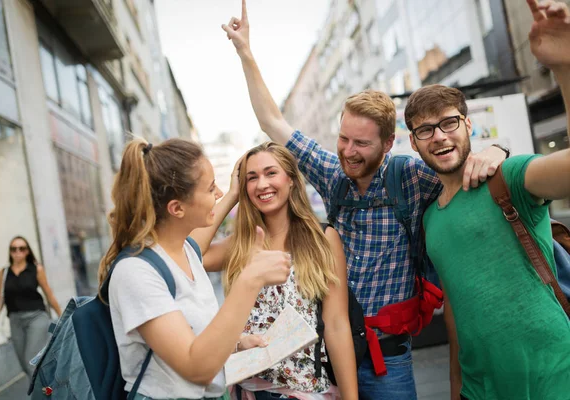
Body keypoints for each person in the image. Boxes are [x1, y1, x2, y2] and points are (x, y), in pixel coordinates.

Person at [220, 1, 508, 398]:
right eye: (343, 139)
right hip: (327, 353)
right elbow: (273, 122)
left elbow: (462, 168)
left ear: (389, 143)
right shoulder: (332, 174)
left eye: (361, 143)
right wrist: (245, 52)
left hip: (386, 359)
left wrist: (499, 151)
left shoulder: (409, 175)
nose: (348, 151)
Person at [406, 2, 570, 399]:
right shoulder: (429, 219)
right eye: (426, 130)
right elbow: (456, 314)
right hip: (480, 387)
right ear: (413, 142)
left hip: (550, 374)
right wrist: (456, 384)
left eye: (448, 122)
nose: (440, 136)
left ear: (468, 124)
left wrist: (564, 68)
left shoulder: (507, 178)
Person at [101, 137, 291, 400]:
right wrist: (251, 279)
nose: (220, 194)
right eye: (211, 188)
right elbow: (196, 368)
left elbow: (195, 335)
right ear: (177, 208)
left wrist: (234, 345)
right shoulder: (136, 272)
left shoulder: (185, 251)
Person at [204, 142, 358, 399]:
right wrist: (231, 193)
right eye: (251, 178)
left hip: (305, 391)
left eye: (271, 173)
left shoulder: (322, 237)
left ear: (291, 180)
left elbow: (336, 324)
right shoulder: (241, 243)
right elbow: (192, 253)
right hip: (250, 390)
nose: (262, 184)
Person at [0, 236, 62, 377]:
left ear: (27, 251)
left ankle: (43, 395)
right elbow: (0, 300)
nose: (18, 252)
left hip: (37, 318)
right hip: (15, 320)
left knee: (30, 362)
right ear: (10, 252)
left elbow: (49, 295)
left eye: (22, 248)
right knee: (25, 366)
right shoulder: (4, 273)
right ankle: (48, 388)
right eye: (14, 249)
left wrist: (63, 317)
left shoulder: (36, 269)